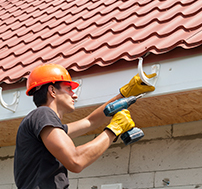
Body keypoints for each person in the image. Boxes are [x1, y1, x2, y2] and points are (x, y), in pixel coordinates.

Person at [14, 63, 156, 189]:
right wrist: (114, 129)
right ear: (52, 91)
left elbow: (91, 121)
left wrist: (125, 94)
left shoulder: (45, 126)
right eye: (69, 88)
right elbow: (76, 161)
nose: (74, 95)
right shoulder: (43, 114)